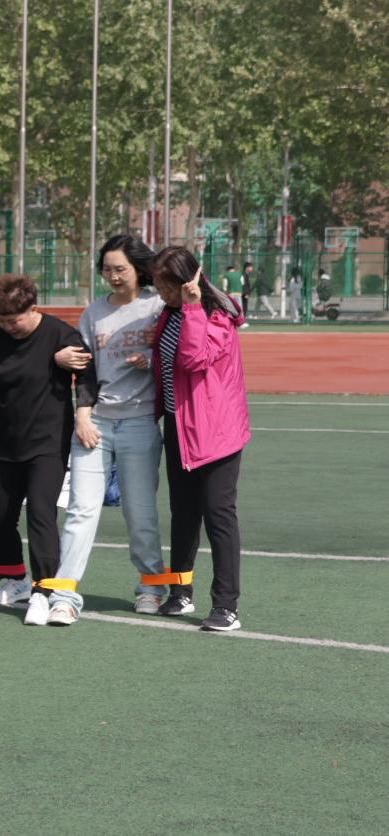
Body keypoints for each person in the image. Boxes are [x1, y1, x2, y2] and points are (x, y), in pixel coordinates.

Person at [47, 235, 167, 626]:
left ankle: (151, 586)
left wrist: (150, 357)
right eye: (107, 269)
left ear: (138, 269)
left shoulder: (157, 307)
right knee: (80, 511)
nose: (113, 276)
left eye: (121, 269)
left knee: (140, 512)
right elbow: (84, 370)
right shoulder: (93, 313)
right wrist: (82, 415)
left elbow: (177, 352)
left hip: (139, 422)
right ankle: (64, 595)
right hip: (95, 422)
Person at [0, 274, 96, 625]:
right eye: (2, 321)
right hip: (7, 442)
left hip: (48, 443)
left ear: (33, 308)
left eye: (15, 320)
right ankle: (15, 580)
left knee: (41, 514)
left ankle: (44, 590)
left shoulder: (60, 336)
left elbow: (87, 376)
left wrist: (83, 415)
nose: (9, 327)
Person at [151, 246, 250, 632]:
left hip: (215, 432)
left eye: (166, 286)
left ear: (187, 281)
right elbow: (168, 364)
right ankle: (180, 591)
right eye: (158, 286)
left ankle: (226, 606)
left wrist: (192, 307)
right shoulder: (170, 312)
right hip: (179, 427)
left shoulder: (216, 315)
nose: (161, 293)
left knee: (218, 515)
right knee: (183, 513)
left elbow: (194, 360)